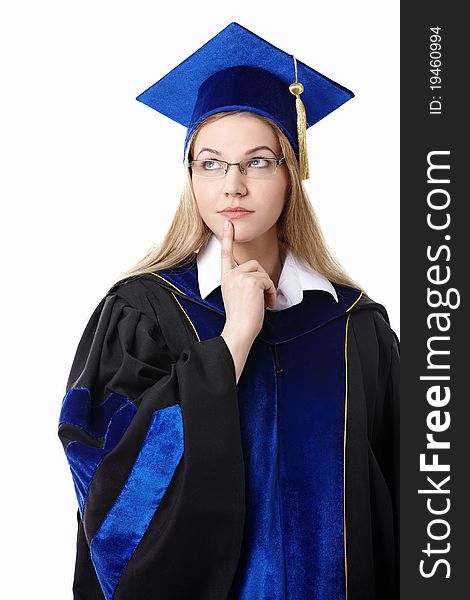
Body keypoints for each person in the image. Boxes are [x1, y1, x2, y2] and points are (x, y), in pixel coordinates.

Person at [58, 22, 399, 600]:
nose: (233, 184)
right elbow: (109, 482)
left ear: (292, 174)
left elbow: (415, 500)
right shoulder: (143, 311)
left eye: (259, 161)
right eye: (211, 163)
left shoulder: (355, 326)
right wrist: (232, 343)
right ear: (190, 175)